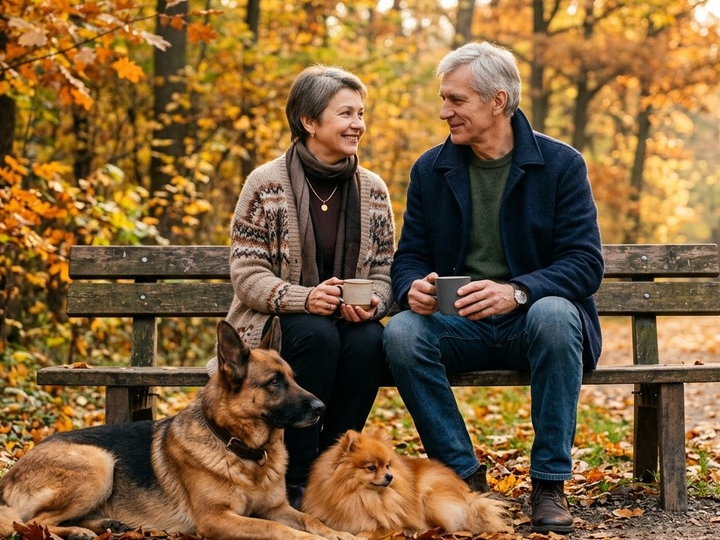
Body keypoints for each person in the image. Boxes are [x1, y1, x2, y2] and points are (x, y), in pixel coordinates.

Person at [382, 42, 603, 534]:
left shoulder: (561, 165)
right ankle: (464, 480)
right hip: (461, 327)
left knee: (555, 313)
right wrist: (410, 289)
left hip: (536, 327)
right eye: (444, 100)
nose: (445, 112)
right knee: (400, 333)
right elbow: (410, 256)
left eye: (456, 100)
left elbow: (585, 264)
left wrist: (518, 291)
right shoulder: (430, 169)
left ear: (497, 101)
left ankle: (549, 483)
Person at [219, 65, 395, 510]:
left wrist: (374, 302)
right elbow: (247, 275)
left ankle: (329, 472)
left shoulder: (373, 190)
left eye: (361, 113)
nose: (358, 123)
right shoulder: (265, 184)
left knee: (370, 339)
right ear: (309, 121)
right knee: (315, 334)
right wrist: (304, 298)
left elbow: (385, 272)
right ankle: (295, 480)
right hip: (277, 327)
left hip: (347, 324)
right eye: (346, 113)